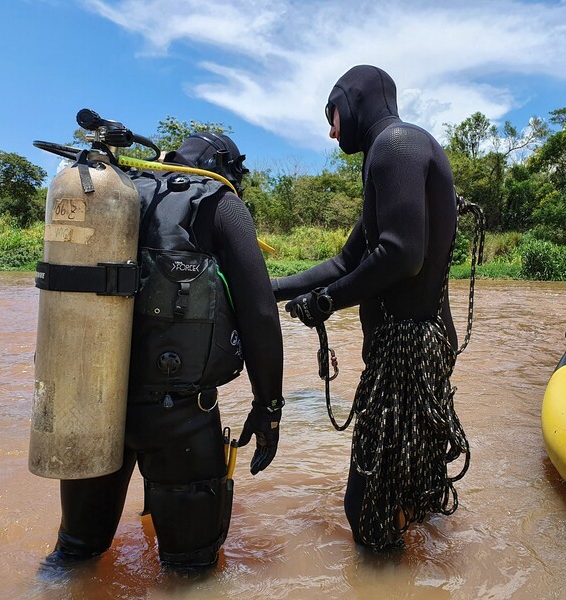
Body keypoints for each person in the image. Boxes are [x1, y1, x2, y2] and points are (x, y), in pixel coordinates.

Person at [46, 133, 284, 568]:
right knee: (191, 572)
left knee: (74, 556)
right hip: (179, 417)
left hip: (90, 403)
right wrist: (268, 408)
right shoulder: (219, 201)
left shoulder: (119, 191)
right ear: (227, 168)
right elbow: (261, 315)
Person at [272, 65, 468, 551]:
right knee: (408, 490)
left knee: (366, 512)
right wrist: (269, 288)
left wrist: (326, 302)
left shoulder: (395, 145)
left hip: (408, 353)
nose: (331, 130)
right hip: (414, 350)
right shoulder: (395, 152)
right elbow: (346, 261)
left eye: (331, 114)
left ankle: (385, 572)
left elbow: (401, 254)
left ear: (353, 100)